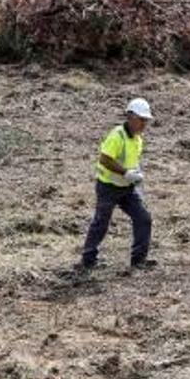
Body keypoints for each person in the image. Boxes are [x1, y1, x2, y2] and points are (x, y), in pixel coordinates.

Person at [77, 98, 156, 272]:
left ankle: (138, 261)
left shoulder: (137, 139)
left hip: (127, 188)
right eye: (141, 119)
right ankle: (87, 261)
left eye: (146, 120)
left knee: (144, 218)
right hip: (108, 187)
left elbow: (131, 161)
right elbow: (104, 159)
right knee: (101, 223)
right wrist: (126, 173)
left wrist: (135, 174)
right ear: (130, 116)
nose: (144, 124)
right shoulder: (117, 135)